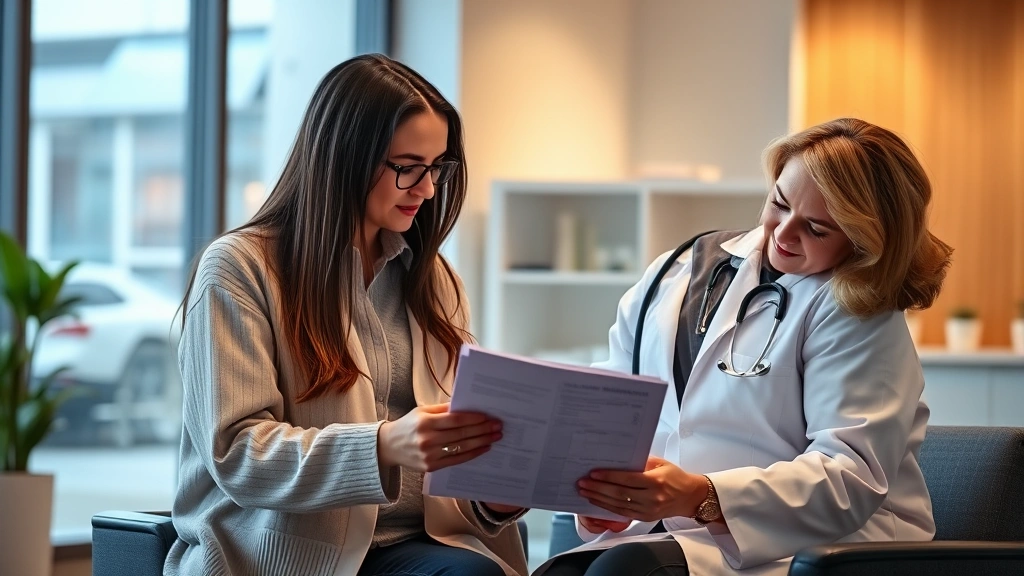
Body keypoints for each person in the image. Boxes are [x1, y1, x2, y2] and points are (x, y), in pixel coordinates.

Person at [535, 117, 953, 576]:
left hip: (828, 548)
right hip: (667, 534)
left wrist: (702, 496)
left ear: (865, 241)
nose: (784, 233)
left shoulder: (860, 311)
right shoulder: (675, 271)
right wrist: (605, 500)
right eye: (779, 202)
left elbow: (849, 477)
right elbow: (613, 405)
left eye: (816, 229)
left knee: (627, 571)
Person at [166, 54, 528, 576]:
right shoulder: (239, 269)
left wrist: (494, 498)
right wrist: (383, 445)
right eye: (407, 167)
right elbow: (238, 453)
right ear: (343, 158)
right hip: (286, 556)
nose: (426, 189)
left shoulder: (435, 281)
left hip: (414, 544)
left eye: (437, 167)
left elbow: (444, 454)